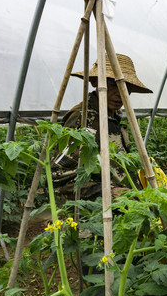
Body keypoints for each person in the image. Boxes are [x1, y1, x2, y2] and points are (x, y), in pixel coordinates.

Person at [52, 53, 153, 200]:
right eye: (113, 85)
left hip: (123, 209)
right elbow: (60, 178)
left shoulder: (113, 115)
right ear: (94, 82)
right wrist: (108, 191)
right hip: (98, 215)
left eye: (125, 86)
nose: (120, 93)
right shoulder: (83, 119)